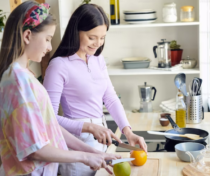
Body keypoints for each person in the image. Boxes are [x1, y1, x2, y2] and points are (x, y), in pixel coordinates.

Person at [0, 1, 120, 176]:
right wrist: (84, 157)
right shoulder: (18, 81)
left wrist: (94, 153)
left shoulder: (22, 76)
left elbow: (51, 126)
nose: (50, 47)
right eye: (47, 39)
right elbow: (34, 149)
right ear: (27, 35)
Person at [43, 4, 147, 176]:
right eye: (92, 37)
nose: (98, 44)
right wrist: (89, 127)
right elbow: (49, 119)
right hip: (76, 144)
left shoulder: (97, 59)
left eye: (102, 38)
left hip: (102, 140)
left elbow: (111, 98)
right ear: (76, 31)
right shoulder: (59, 65)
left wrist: (128, 132)